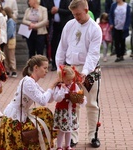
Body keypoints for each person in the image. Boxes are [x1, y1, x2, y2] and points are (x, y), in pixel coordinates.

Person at [55, 0, 102, 148]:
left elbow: (93, 54)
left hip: (90, 70)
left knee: (92, 103)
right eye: (74, 14)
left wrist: (85, 72)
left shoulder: (95, 29)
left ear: (86, 10)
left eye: (78, 14)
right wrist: (59, 66)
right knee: (72, 103)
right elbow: (62, 47)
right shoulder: (69, 25)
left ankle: (93, 136)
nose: (76, 17)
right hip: (70, 69)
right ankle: (73, 136)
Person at [0, 55, 59, 150]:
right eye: (45, 68)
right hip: (13, 120)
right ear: (36, 68)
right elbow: (43, 101)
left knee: (45, 113)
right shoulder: (28, 82)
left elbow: (49, 99)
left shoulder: (32, 82)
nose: (47, 71)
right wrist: (51, 86)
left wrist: (57, 86)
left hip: (21, 116)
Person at [52, 65, 86, 150]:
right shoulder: (59, 87)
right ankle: (59, 146)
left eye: (71, 79)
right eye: (68, 80)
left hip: (71, 111)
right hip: (62, 111)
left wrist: (81, 99)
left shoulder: (74, 85)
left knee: (69, 129)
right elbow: (57, 98)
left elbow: (80, 94)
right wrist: (62, 91)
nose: (70, 81)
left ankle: (68, 145)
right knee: (61, 130)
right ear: (62, 78)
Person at [46, 0, 73, 71]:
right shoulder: (49, 1)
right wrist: (51, 12)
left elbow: (69, 11)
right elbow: (45, 11)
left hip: (64, 25)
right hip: (53, 25)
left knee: (64, 44)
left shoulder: (66, 1)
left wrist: (58, 10)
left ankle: (65, 64)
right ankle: (54, 64)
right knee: (53, 44)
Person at [3, 7, 17, 77]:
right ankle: (7, 69)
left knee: (11, 55)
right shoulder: (8, 20)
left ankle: (13, 70)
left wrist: (6, 39)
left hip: (10, 40)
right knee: (5, 55)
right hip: (7, 40)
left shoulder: (10, 21)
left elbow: (10, 32)